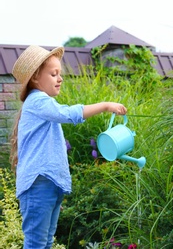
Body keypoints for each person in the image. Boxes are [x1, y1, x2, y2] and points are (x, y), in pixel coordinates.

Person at [9, 45, 127, 248]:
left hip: (49, 182)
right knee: (37, 243)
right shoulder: (37, 101)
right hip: (39, 183)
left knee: (45, 242)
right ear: (36, 78)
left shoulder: (41, 104)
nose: (60, 78)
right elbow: (69, 114)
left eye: (60, 74)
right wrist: (106, 106)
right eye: (54, 74)